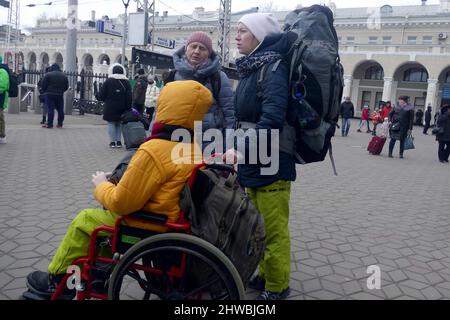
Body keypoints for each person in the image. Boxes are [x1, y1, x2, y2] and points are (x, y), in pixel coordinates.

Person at [23, 80, 213, 300]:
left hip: (148, 224)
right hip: (171, 218)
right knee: (102, 220)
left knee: (85, 220)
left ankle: (56, 279)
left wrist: (101, 184)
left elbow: (122, 203)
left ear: (165, 107)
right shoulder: (192, 147)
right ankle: (97, 276)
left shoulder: (156, 149)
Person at [232, 12, 296, 300]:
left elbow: (271, 119)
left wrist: (240, 148)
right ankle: (266, 275)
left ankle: (278, 287)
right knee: (258, 226)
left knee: (273, 230)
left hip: (272, 162)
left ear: (258, 35)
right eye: (237, 30)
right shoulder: (253, 68)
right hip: (254, 159)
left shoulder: (273, 68)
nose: (237, 36)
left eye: (243, 31)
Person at [171, 31, 235, 148]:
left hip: (211, 144)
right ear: (186, 49)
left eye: (202, 48)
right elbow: (160, 111)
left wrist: (228, 146)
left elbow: (230, 115)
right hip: (177, 141)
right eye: (193, 46)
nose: (196, 51)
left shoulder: (218, 78)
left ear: (209, 53)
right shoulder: (172, 76)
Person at [96, 63, 132, 148]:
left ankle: (112, 142)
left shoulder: (108, 81)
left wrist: (100, 97)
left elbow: (102, 94)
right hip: (122, 107)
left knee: (111, 123)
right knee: (119, 123)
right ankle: (119, 142)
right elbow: (129, 97)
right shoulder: (126, 82)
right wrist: (128, 108)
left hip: (110, 107)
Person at [40, 63, 69, 128]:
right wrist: (61, 91)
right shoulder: (64, 76)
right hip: (59, 94)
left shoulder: (48, 75)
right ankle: (60, 124)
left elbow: (43, 85)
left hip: (49, 94)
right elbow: (66, 86)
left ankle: (49, 124)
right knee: (60, 109)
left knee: (50, 109)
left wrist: (45, 91)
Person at [0, 56, 10, 144]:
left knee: (0, 117)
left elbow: (2, 86)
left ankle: (2, 136)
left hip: (1, 98)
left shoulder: (2, 71)